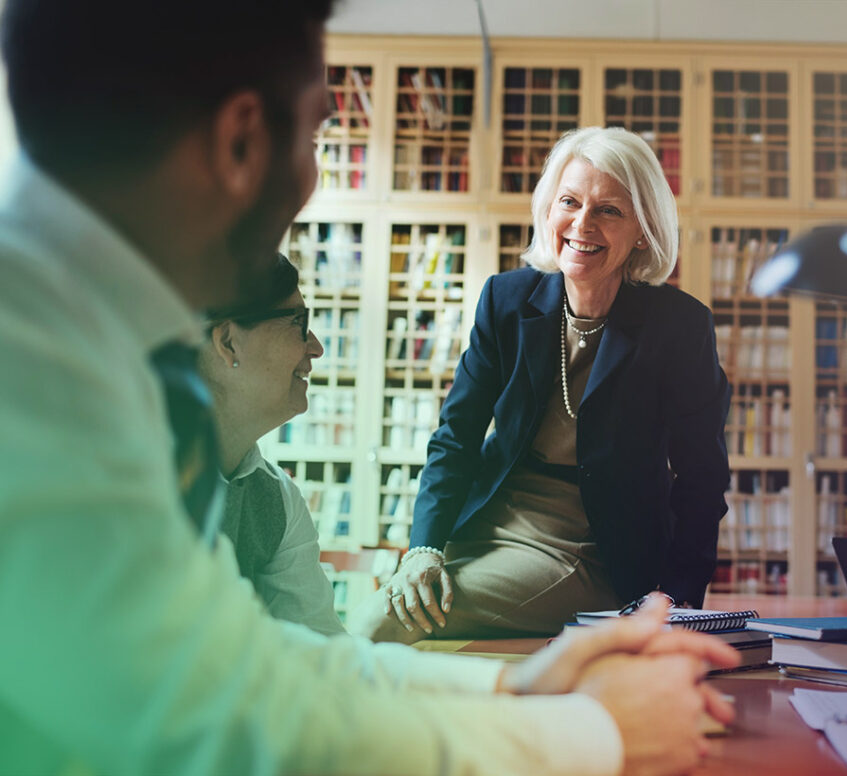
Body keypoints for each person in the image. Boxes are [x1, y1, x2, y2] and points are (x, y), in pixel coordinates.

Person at [0, 3, 739, 774]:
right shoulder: (44, 372)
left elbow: (243, 657)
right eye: (320, 131)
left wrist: (511, 685)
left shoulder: (88, 340)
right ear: (240, 140)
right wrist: (596, 735)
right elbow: (208, 718)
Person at [377, 126, 731, 643]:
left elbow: (703, 478)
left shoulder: (679, 327)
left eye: (609, 210)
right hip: (490, 520)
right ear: (549, 211)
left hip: (589, 547)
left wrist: (675, 601)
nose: (582, 224)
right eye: (570, 202)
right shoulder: (507, 299)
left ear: (644, 229)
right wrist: (424, 548)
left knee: (390, 621)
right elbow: (456, 436)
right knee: (396, 602)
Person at [198, 253, 345, 636]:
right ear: (228, 342)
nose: (316, 348)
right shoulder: (130, 485)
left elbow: (319, 652)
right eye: (300, 323)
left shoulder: (277, 499)